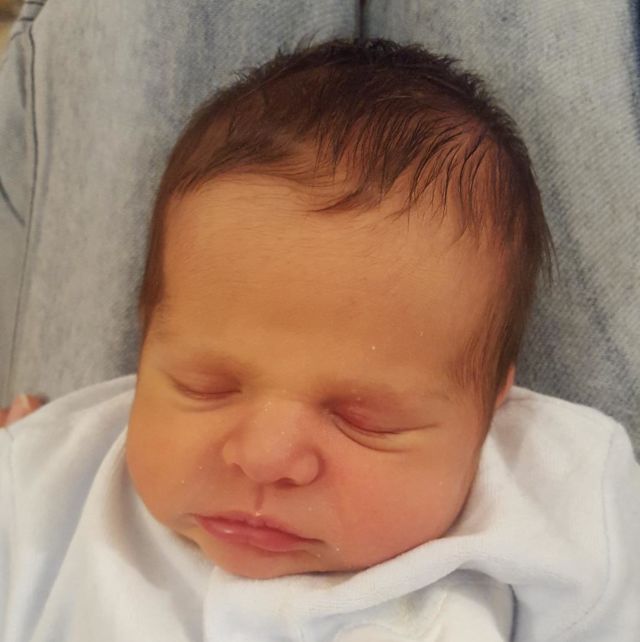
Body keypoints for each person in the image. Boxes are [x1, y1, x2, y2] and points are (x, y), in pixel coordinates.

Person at [1, 38, 638, 642]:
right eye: (205, 386)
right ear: (145, 347)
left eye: (365, 418)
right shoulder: (54, 484)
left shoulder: (561, 507)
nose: (265, 458)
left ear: (492, 402)